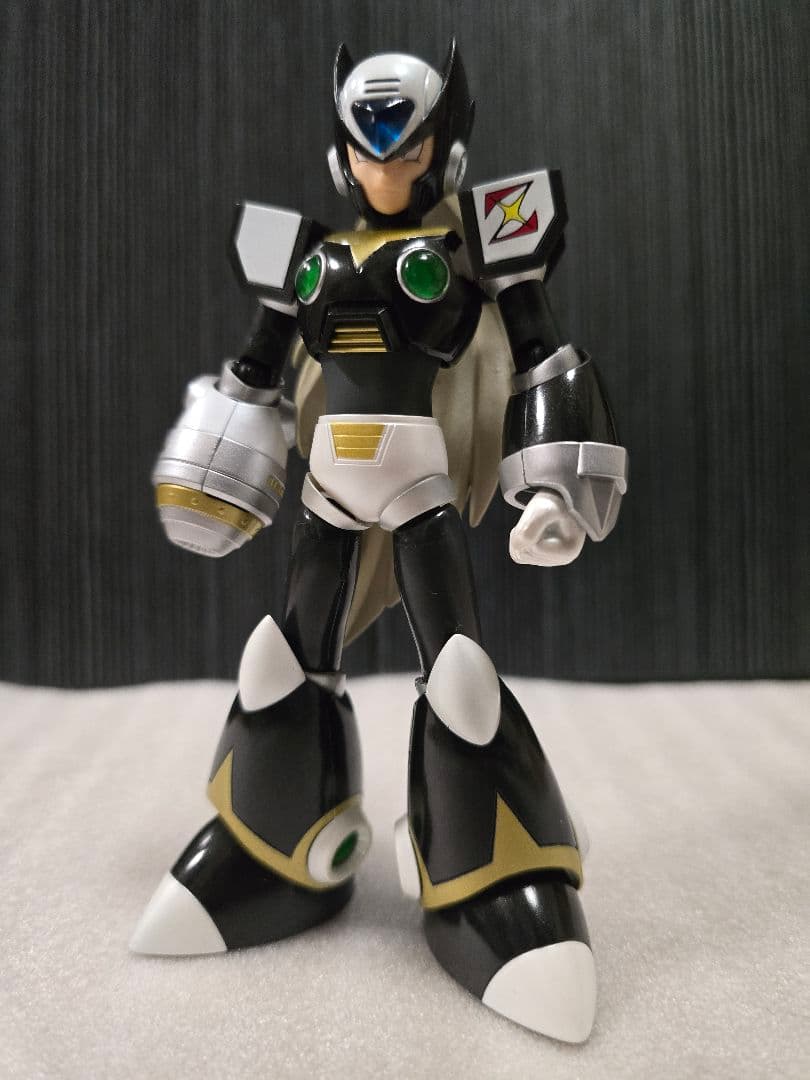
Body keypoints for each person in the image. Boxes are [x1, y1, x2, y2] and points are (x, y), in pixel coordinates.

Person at [131, 42, 628, 1044]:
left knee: (460, 679)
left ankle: (492, 874)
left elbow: (542, 358)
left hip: (421, 489)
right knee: (281, 661)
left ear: (443, 149)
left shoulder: (485, 238)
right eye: (370, 151)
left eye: (409, 150)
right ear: (342, 153)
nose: (388, 169)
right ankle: (270, 843)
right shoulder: (299, 252)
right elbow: (254, 370)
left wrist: (555, 488)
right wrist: (213, 473)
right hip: (327, 490)